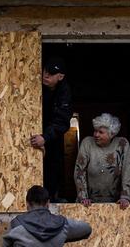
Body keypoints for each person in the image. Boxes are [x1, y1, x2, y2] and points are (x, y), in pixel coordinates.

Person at [30, 60, 73, 197]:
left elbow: (62, 121)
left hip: (52, 139)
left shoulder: (64, 92)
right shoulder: (34, 84)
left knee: (51, 172)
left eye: (51, 74)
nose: (45, 76)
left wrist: (46, 137)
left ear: (60, 77)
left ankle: (50, 200)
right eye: (45, 72)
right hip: (34, 135)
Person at [72, 113, 130, 209]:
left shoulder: (122, 144)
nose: (96, 135)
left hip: (115, 204)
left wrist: (125, 197)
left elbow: (127, 171)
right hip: (88, 203)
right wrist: (83, 197)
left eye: (101, 132)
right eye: (95, 131)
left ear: (111, 134)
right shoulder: (87, 143)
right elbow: (79, 171)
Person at [4, 184, 93, 245]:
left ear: (27, 204)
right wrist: (63, 236)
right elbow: (87, 229)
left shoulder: (16, 224)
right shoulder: (62, 225)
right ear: (48, 203)